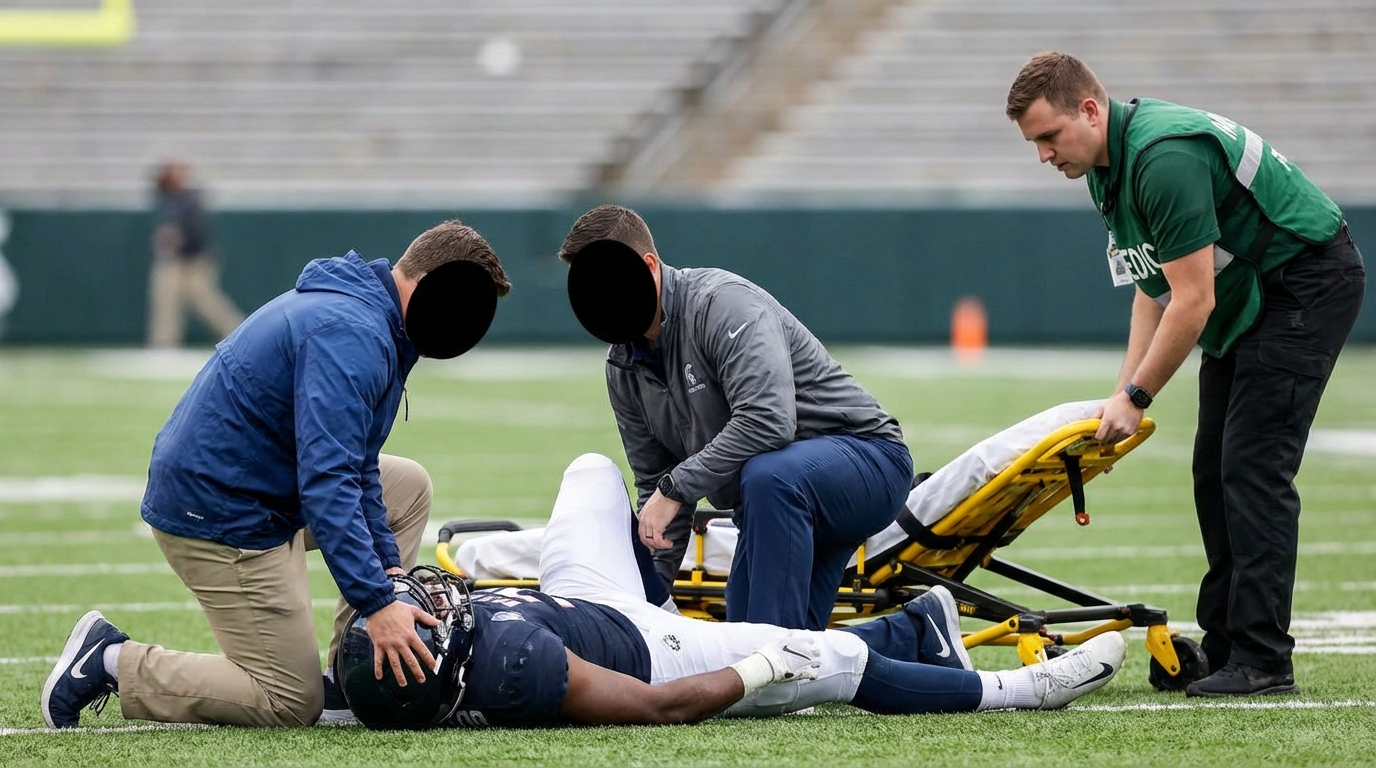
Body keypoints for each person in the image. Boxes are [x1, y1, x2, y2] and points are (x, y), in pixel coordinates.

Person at [40, 219, 512, 729]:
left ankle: (350, 672)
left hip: (255, 487)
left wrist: (387, 573)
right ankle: (109, 661)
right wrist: (377, 603)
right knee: (288, 701)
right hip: (219, 511)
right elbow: (328, 481)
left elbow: (358, 468)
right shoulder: (353, 333)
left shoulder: (373, 319)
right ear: (430, 285)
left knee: (408, 486)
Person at [1005, 52, 1366, 697]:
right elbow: (1153, 286)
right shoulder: (1105, 166)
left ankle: (1262, 659)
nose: (1043, 156)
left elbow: (1191, 300)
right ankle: (1228, 646)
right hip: (1249, 295)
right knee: (1212, 471)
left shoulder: (1163, 159)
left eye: (1049, 137)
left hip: (1301, 284)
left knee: (1253, 468)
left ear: (1090, 111)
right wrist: (1122, 392)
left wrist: (1139, 396)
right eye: (1035, 143)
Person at [336, 453, 1127, 728]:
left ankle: (919, 627)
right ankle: (1015, 690)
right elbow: (656, 709)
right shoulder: (510, 662)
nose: (426, 599)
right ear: (438, 661)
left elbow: (336, 688)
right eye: (424, 619)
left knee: (589, 470)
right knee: (828, 661)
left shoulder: (416, 674)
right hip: (654, 653)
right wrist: (760, 668)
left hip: (585, 597)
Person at [559, 204, 914, 631]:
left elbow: (768, 420)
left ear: (648, 266)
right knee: (769, 657)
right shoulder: (622, 367)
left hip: (867, 461)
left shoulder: (720, 303)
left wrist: (674, 488)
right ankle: (917, 634)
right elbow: (657, 489)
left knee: (763, 650)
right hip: (772, 503)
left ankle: (775, 655)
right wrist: (649, 606)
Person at [146, 161, 246, 348]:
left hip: (195, 259)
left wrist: (177, 239)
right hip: (179, 259)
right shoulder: (171, 199)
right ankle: (163, 343)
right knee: (167, 300)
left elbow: (194, 232)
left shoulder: (189, 199)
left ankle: (240, 333)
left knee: (207, 303)